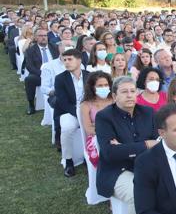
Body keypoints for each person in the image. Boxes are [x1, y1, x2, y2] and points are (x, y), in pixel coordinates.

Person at [96, 76, 158, 214]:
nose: (130, 95)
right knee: (136, 194)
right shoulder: (105, 117)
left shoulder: (148, 112)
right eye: (124, 91)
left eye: (133, 90)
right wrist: (144, 145)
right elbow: (110, 154)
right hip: (118, 171)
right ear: (114, 96)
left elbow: (158, 141)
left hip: (146, 168)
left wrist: (125, 148)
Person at [54, 49, 90, 177]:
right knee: (68, 127)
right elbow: (62, 102)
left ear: (79, 60)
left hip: (89, 110)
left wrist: (88, 113)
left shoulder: (90, 76)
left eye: (70, 59)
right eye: (65, 60)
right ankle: (68, 160)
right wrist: (79, 113)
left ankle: (90, 155)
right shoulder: (60, 79)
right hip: (69, 111)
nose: (67, 62)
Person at [79, 71, 114, 168]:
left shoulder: (115, 100)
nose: (104, 87)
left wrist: (98, 125)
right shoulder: (86, 105)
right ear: (92, 87)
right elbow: (88, 129)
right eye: (100, 86)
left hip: (117, 134)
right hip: (96, 138)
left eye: (106, 85)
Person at [23, 28, 59, 114]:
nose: (43, 37)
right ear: (35, 38)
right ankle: (31, 105)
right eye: (40, 36)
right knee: (29, 80)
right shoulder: (30, 50)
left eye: (45, 35)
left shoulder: (55, 47)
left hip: (56, 74)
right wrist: (43, 74)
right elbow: (29, 66)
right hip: (40, 75)